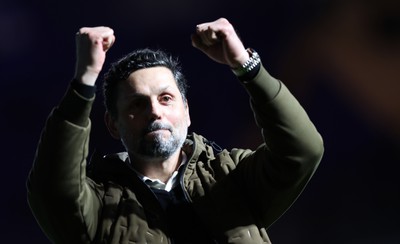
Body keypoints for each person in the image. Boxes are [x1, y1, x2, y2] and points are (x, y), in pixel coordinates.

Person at [27, 18, 324, 244]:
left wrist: (246, 66)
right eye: (138, 104)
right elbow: (54, 192)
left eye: (165, 98)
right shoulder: (98, 204)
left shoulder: (232, 177)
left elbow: (301, 150)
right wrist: (84, 81)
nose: (155, 111)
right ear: (113, 124)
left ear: (187, 112)